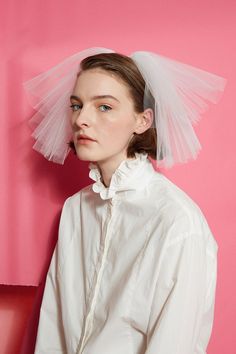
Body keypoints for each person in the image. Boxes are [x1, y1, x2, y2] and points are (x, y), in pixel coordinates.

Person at [23, 47, 226, 354]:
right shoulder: (75, 209)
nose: (81, 120)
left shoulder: (176, 221)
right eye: (76, 105)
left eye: (104, 107)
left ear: (142, 121)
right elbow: (53, 324)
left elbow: (174, 343)